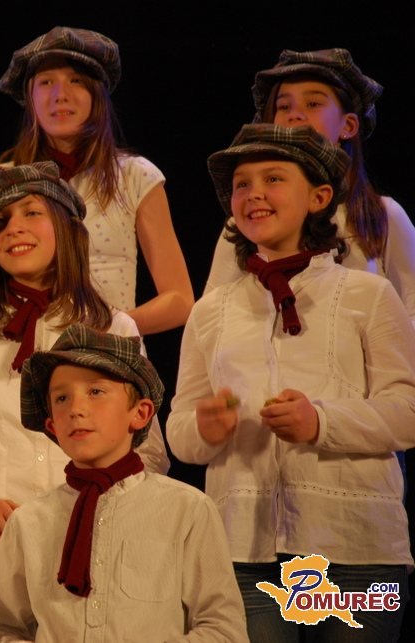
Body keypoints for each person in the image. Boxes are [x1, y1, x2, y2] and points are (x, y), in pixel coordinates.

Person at [168, 123, 415, 641]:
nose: (253, 193)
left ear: (319, 197)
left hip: (357, 547)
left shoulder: (368, 295)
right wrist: (205, 428)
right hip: (243, 548)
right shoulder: (211, 311)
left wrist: (320, 421)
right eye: (242, 184)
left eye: (273, 178)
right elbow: (181, 431)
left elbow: (407, 412)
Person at [0, 162, 169, 608]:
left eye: (31, 212)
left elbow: (150, 450)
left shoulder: (112, 326)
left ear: (65, 229)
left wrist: (98, 500)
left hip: (92, 551)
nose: (14, 229)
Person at [0, 325, 246, 641]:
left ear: (140, 413)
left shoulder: (188, 510)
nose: (76, 409)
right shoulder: (29, 522)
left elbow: (224, 630)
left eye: (96, 392)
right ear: (52, 425)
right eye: (61, 398)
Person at [0, 27, 193, 335]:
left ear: (97, 95)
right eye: (46, 82)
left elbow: (179, 300)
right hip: (16, 353)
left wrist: (107, 330)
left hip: (108, 354)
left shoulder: (135, 176)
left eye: (76, 80)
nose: (60, 95)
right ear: (30, 97)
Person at [204, 48, 415, 325]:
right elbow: (211, 317)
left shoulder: (381, 215)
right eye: (283, 107)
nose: (295, 116)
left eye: (313, 104)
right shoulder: (248, 223)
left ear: (348, 125)